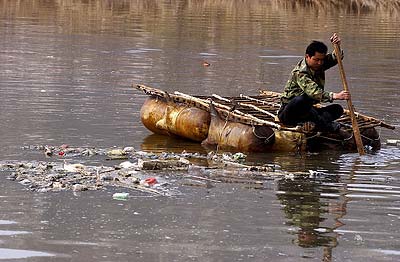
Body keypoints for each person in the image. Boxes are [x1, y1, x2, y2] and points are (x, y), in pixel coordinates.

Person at [278, 33, 350, 133]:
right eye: (316, 60)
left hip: (307, 111)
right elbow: (313, 92)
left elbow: (335, 57)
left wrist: (337, 45)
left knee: (337, 109)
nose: (320, 63)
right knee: (302, 99)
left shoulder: (319, 64)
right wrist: (335, 96)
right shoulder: (300, 72)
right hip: (290, 113)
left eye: (322, 60)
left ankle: (314, 122)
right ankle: (324, 125)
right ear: (307, 56)